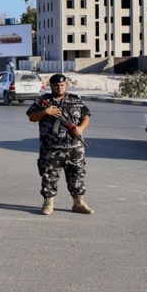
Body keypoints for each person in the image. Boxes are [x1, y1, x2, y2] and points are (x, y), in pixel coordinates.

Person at [25, 73, 94, 216]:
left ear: (66, 85)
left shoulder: (76, 100)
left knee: (77, 175)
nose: (60, 88)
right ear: (51, 86)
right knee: (49, 176)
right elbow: (32, 117)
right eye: (56, 86)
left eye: (62, 85)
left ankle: (79, 203)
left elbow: (85, 117)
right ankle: (48, 203)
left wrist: (80, 129)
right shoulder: (43, 100)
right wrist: (46, 111)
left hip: (74, 148)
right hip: (51, 148)